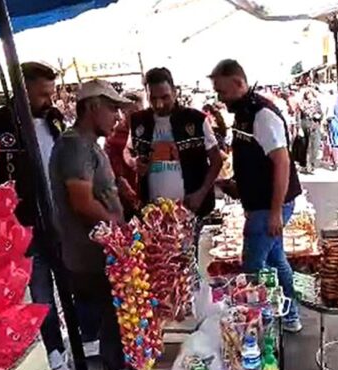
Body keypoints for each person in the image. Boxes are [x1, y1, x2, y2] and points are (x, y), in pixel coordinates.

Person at [0, 62, 72, 370]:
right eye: (42, 94)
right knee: (41, 292)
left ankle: (82, 340)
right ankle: (55, 352)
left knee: (71, 283)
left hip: (60, 220)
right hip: (22, 228)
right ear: (21, 90)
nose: (48, 99)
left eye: (50, 93)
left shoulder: (54, 119)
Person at [49, 79, 131, 370]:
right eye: (112, 109)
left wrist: (119, 191)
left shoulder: (89, 143)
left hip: (103, 252)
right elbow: (81, 201)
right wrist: (119, 229)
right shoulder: (75, 145)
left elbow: (95, 189)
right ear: (93, 107)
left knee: (117, 320)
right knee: (112, 321)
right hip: (93, 255)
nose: (117, 117)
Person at [209, 59, 303, 333]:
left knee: (252, 266)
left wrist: (274, 212)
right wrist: (237, 186)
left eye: (222, 91)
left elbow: (282, 162)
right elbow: (255, 160)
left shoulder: (262, 114)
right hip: (261, 204)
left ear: (239, 83)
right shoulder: (244, 112)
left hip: (269, 206)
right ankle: (290, 316)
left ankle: (262, 327)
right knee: (276, 260)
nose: (220, 98)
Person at [129, 67, 223, 217]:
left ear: (174, 92)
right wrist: (134, 162)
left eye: (165, 97)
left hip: (191, 208)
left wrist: (201, 193)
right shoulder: (138, 121)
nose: (159, 104)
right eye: (153, 99)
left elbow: (216, 160)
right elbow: (128, 152)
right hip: (153, 212)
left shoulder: (196, 120)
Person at [105, 91, 144, 220]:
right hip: (128, 200)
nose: (137, 116)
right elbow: (114, 172)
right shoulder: (114, 137)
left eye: (139, 111)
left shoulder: (150, 130)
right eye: (131, 112)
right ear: (123, 112)